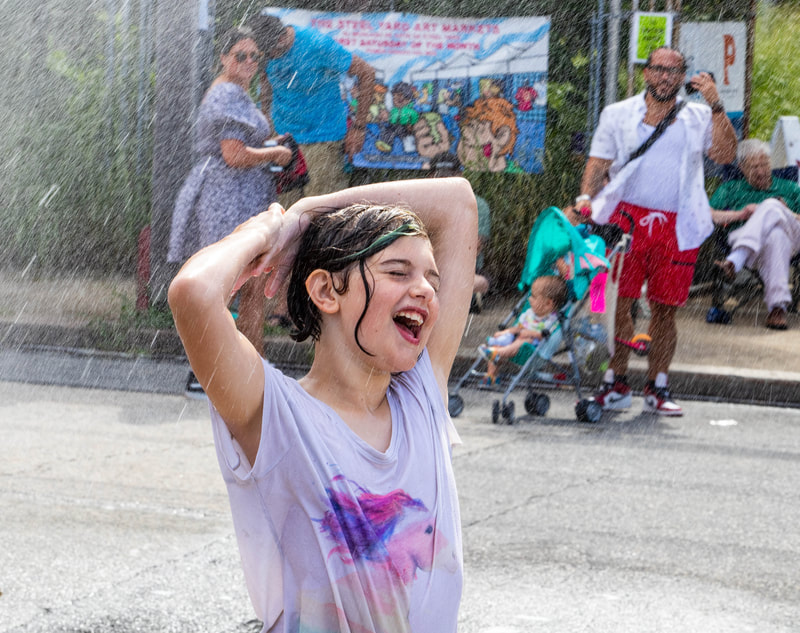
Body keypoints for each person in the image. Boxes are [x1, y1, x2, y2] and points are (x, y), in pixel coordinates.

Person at [167, 177, 478, 632]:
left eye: (432, 278)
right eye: (397, 272)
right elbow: (194, 293)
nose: (427, 291)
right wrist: (266, 232)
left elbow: (458, 202)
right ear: (326, 291)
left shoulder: (421, 397)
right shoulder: (279, 416)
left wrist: (310, 210)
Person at [574, 46, 737, 416]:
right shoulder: (617, 114)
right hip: (622, 221)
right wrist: (585, 199)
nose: (665, 77)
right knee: (613, 303)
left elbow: (726, 155)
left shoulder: (698, 115)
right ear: (646, 73)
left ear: (683, 77)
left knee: (666, 309)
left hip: (677, 225)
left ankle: (657, 385)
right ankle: (614, 381)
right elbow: (598, 162)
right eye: (659, 69)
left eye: (674, 71)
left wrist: (715, 105)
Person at [167, 26, 292, 395]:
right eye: (241, 55)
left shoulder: (237, 93)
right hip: (227, 197)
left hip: (240, 195)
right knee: (229, 285)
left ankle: (251, 368)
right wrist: (275, 153)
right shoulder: (225, 93)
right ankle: (210, 371)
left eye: (255, 56)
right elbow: (233, 155)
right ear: (223, 58)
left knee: (249, 285)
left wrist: (269, 143)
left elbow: (239, 146)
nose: (250, 62)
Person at [247, 13, 376, 204]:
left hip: (322, 140)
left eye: (270, 53)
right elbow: (266, 78)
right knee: (284, 212)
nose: (267, 58)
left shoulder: (317, 44)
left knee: (320, 213)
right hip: (284, 140)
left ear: (282, 39)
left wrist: (359, 128)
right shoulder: (265, 49)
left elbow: (367, 73)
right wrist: (266, 115)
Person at [710, 138, 800, 330]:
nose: (760, 171)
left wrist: (785, 212)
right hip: (748, 237)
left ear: (771, 162)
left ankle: (736, 259)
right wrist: (741, 214)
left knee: (771, 205)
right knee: (776, 236)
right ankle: (777, 309)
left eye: (764, 164)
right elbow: (708, 214)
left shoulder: (791, 188)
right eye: (753, 167)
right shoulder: (730, 189)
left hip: (794, 238)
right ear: (741, 167)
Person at [428, 152, 491, 311]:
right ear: (429, 177)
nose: (444, 181)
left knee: (481, 282)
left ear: (460, 175)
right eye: (439, 176)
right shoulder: (424, 202)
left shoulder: (477, 204)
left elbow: (474, 249)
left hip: (462, 269)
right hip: (427, 266)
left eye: (449, 177)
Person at [478, 274, 568, 385]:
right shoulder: (528, 314)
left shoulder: (552, 320)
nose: (530, 299)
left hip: (533, 350)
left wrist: (528, 333)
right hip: (516, 345)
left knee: (525, 341)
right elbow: (518, 328)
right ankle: (491, 376)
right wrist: (505, 332)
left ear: (548, 303)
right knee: (496, 345)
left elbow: (544, 335)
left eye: (534, 297)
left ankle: (497, 353)